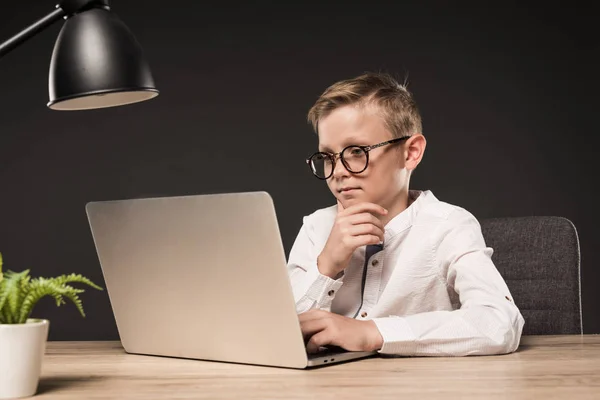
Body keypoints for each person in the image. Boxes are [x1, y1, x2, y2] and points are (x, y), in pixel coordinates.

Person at [287, 72, 524, 356]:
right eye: (327, 157)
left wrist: (372, 332)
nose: (337, 172)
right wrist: (326, 265)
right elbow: (278, 332)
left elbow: (499, 323)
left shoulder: (447, 226)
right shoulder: (316, 228)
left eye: (356, 151)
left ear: (411, 152)